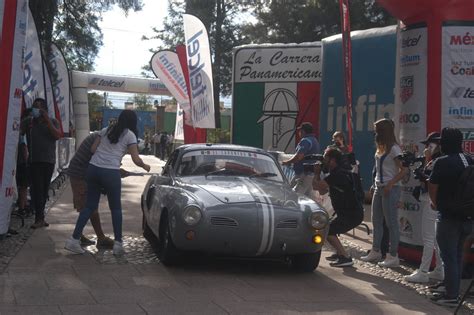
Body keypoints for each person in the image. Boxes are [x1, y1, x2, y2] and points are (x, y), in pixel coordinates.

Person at [65, 110, 151, 255]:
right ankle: (118, 244)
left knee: (89, 206)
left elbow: (93, 149)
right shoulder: (129, 135)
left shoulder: (105, 130)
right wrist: (145, 166)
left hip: (93, 170)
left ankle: (73, 240)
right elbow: (136, 159)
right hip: (110, 172)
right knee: (115, 208)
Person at [428, 127, 473, 307]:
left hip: (448, 216)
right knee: (458, 255)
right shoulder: (469, 159)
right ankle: (450, 289)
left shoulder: (442, 162)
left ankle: (451, 295)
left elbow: (432, 187)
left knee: (449, 256)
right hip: (468, 217)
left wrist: (435, 203)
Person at [361, 118, 407, 267]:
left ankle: (393, 255)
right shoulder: (381, 147)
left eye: (376, 130)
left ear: (382, 131)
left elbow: (404, 170)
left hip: (390, 189)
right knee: (376, 221)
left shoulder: (394, 148)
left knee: (391, 223)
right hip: (378, 187)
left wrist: (391, 183)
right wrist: (375, 183)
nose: (374, 133)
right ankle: (376, 251)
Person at [313, 147, 364, 267]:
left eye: (325, 158)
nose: (323, 161)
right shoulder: (339, 172)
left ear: (333, 160)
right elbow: (321, 191)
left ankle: (345, 257)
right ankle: (340, 253)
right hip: (348, 213)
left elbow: (316, 186)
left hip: (351, 214)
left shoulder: (338, 174)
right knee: (329, 228)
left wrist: (316, 173)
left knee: (329, 231)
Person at [405, 132, 444, 283]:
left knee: (428, 237)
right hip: (435, 201)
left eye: (429, 145)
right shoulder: (436, 160)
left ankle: (423, 271)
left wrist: (424, 170)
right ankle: (439, 270)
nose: (426, 148)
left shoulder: (436, 161)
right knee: (435, 239)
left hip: (432, 201)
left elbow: (429, 181)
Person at [66, 132, 115, 248]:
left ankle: (91, 236)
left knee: (89, 207)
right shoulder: (103, 140)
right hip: (80, 173)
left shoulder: (103, 136)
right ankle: (78, 237)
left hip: (82, 172)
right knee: (89, 207)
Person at [21, 98, 62, 229]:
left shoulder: (53, 121)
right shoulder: (29, 122)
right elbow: (18, 131)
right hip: (34, 160)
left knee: (44, 190)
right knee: (36, 189)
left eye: (38, 107)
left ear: (44, 109)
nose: (36, 109)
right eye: (34, 107)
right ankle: (38, 218)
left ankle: (41, 217)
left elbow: (57, 135)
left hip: (48, 160)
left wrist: (47, 119)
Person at [282, 122, 321, 197]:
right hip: (311, 174)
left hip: (303, 174)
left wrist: (287, 162)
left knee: (293, 195)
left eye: (300, 131)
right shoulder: (315, 141)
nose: (299, 133)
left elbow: (299, 157)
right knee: (307, 197)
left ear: (303, 131)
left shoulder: (305, 141)